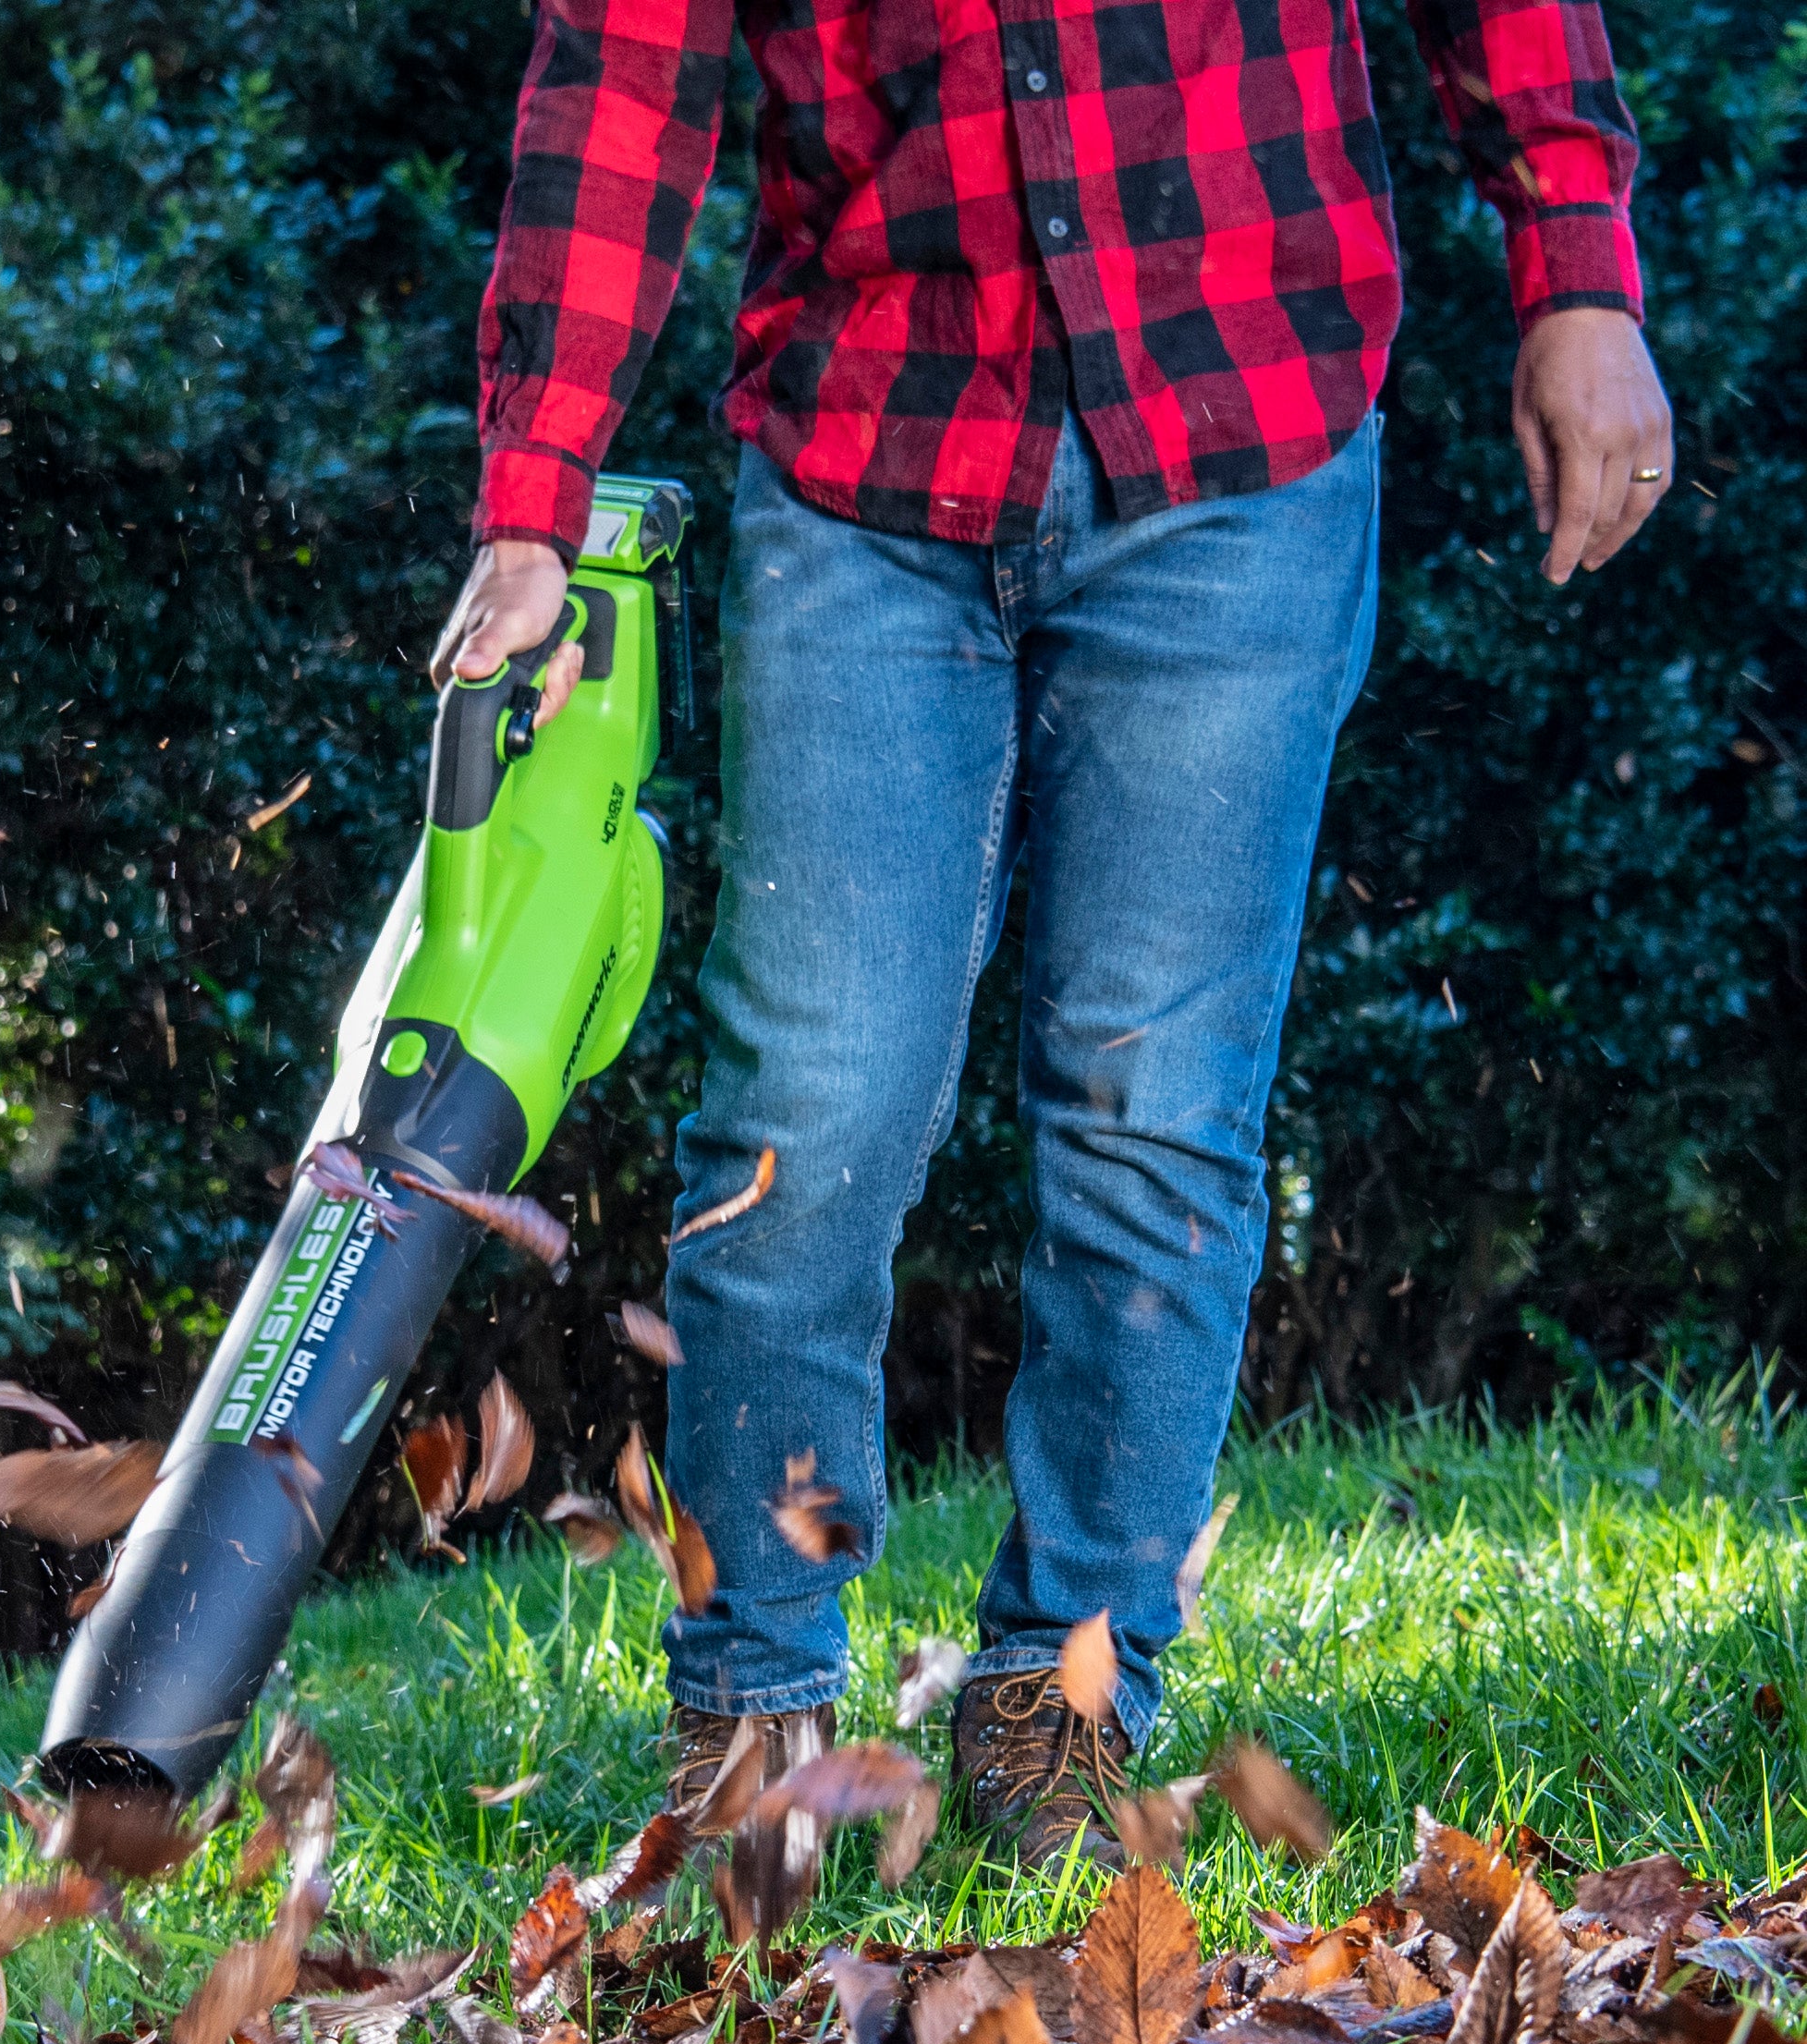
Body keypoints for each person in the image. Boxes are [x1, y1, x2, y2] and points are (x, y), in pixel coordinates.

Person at [432, 0, 1669, 1865]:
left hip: (1236, 421)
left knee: (1152, 1112)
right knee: (806, 1116)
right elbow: (622, 68)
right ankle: (754, 1723)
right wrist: (531, 500)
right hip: (873, 456)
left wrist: (1577, 269)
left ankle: (1066, 1709)